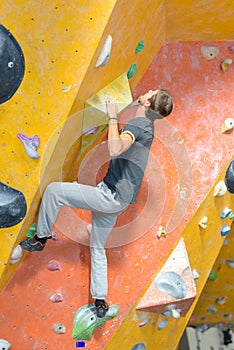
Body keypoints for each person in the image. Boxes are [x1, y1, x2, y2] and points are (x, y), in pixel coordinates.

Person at [20, 89, 173, 317]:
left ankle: (40, 238)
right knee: (97, 245)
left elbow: (114, 148)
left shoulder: (140, 124)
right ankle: (101, 300)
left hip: (111, 196)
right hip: (119, 199)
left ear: (149, 102)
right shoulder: (146, 126)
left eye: (152, 92)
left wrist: (112, 116)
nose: (148, 90)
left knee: (53, 192)